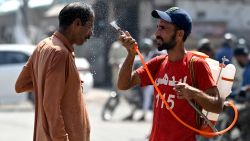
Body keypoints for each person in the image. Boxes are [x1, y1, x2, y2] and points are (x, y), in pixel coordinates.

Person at [117, 7, 224, 141]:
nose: (156, 33)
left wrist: (193, 93)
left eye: (163, 28)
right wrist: (130, 55)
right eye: (157, 27)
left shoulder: (196, 65)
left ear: (179, 34)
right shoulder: (158, 62)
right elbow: (123, 84)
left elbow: (217, 105)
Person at [15, 2, 94, 141]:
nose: (90, 33)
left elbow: (21, 84)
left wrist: (64, 85)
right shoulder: (60, 53)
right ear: (77, 24)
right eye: (89, 26)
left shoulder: (43, 45)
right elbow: (51, 105)